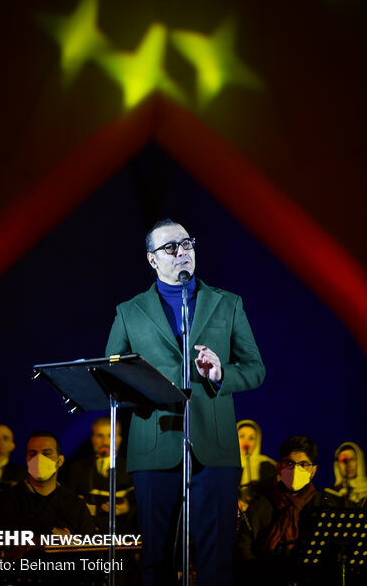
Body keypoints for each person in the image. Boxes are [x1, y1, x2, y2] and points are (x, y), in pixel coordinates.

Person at [105, 218, 265, 586]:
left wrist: (221, 374)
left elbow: (255, 369)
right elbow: (112, 375)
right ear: (151, 260)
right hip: (155, 446)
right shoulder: (129, 312)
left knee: (216, 563)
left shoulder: (227, 303)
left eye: (187, 244)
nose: (182, 253)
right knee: (156, 562)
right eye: (170, 247)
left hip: (215, 450)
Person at [234, 435, 335, 586]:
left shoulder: (323, 504)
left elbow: (331, 554)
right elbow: (243, 548)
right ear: (279, 466)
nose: (295, 469)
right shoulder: (261, 503)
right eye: (290, 463)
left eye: (303, 464)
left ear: (313, 470)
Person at [0, 431, 93, 535]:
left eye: (46, 454)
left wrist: (73, 546)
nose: (38, 459)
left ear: (60, 461)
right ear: (27, 460)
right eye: (33, 454)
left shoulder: (75, 505)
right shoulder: (7, 500)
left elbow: (92, 548)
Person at [66, 417, 136, 534]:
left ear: (119, 439)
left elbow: (143, 507)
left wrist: (127, 509)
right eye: (100, 436)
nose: (105, 441)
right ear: (92, 439)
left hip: (121, 537)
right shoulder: (76, 468)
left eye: (110, 436)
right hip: (87, 536)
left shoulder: (132, 468)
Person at [237, 419, 276, 510]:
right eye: (242, 436)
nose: (246, 441)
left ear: (257, 440)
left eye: (251, 438)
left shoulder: (267, 466)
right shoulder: (223, 466)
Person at [324, 441, 367, 507]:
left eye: (352, 459)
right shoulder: (331, 493)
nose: (348, 464)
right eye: (343, 461)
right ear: (337, 465)